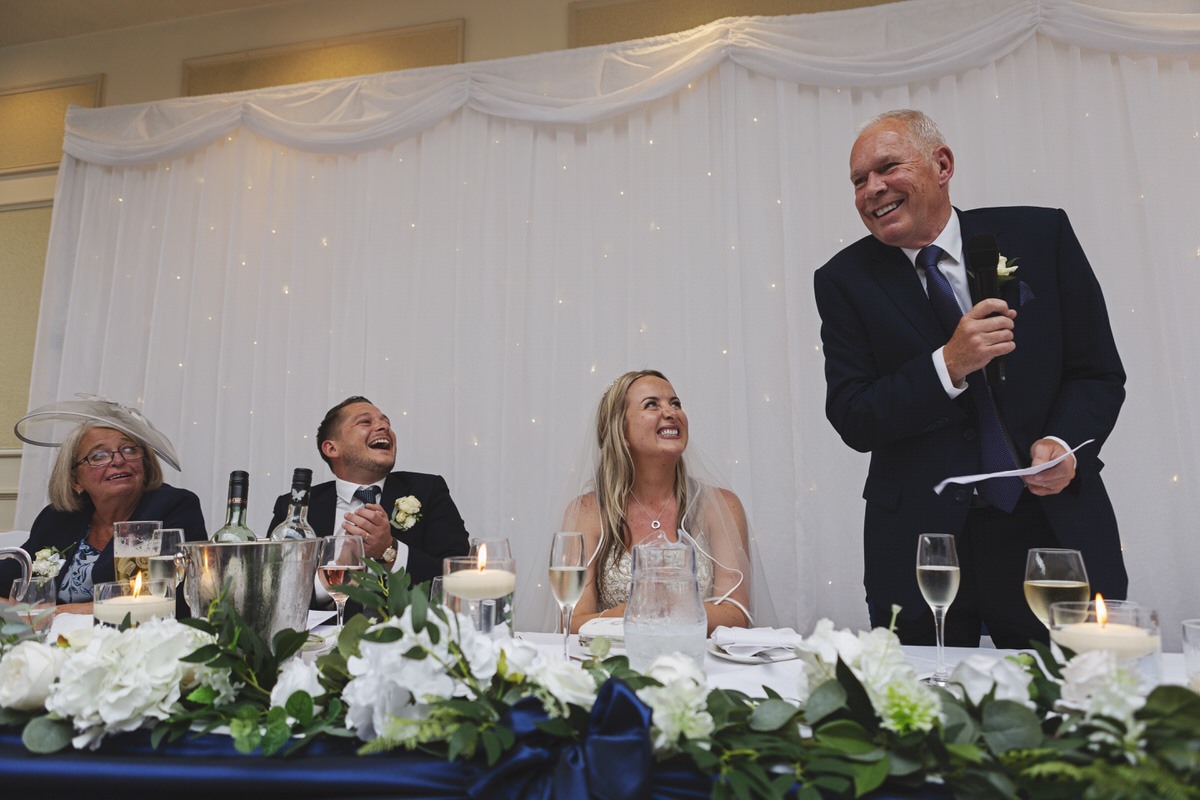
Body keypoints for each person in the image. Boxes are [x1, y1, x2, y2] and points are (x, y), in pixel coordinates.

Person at [813, 109, 1127, 648]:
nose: (872, 189)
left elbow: (1097, 373)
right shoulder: (843, 281)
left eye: (887, 167)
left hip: (1048, 528)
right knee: (926, 717)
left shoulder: (1041, 233)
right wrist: (947, 365)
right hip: (924, 546)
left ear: (942, 164)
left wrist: (1063, 444)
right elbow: (854, 415)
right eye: (858, 181)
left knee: (1073, 707)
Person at [563, 370, 754, 635]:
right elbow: (570, 622)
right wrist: (632, 610)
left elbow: (737, 616)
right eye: (652, 404)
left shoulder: (722, 505)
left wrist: (673, 604)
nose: (671, 412)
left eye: (675, 403)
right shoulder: (586, 512)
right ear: (622, 432)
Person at [1, 401, 206, 614]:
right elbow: (6, 586)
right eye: (99, 456)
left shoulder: (173, 507)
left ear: (144, 464)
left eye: (129, 450)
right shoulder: (58, 518)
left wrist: (56, 613)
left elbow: (169, 599)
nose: (118, 460)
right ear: (75, 481)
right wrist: (22, 618)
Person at [268, 396, 470, 587]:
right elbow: (274, 586)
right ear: (331, 449)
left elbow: (459, 576)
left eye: (386, 422)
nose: (385, 427)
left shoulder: (427, 490)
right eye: (365, 422)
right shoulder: (295, 508)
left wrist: (389, 551)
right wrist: (336, 573)